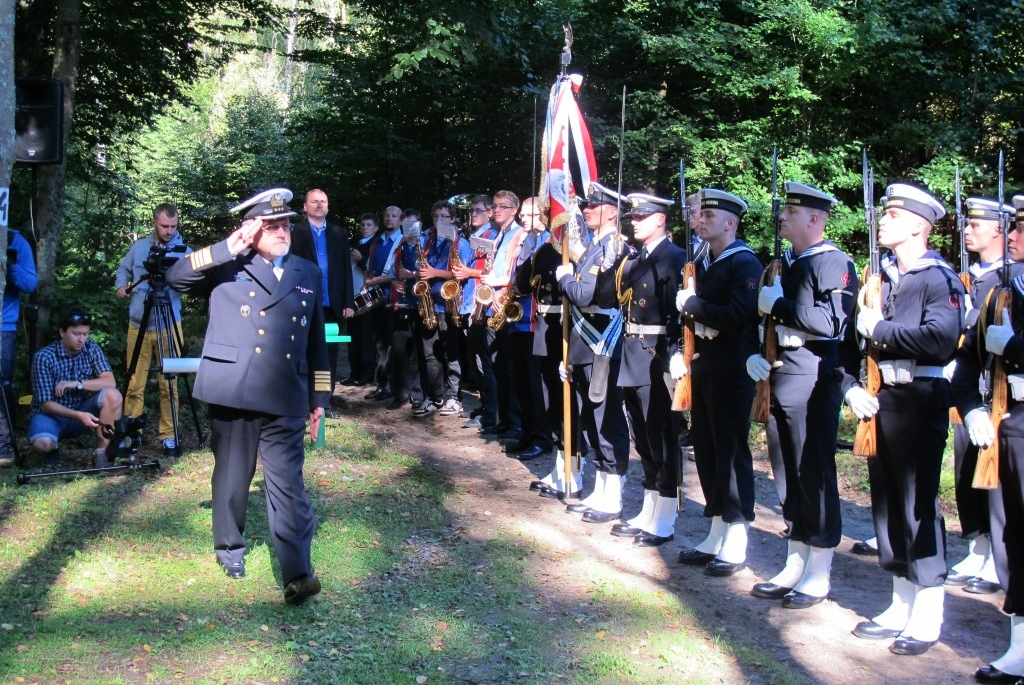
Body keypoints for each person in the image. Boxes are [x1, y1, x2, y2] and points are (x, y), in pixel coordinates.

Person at [166, 188, 330, 605]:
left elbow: (317, 343)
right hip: (235, 388)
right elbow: (176, 277)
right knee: (233, 475)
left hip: (286, 391)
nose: (281, 232)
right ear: (251, 229)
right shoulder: (228, 264)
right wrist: (225, 247)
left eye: (285, 224)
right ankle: (230, 548)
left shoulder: (307, 271)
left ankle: (298, 571)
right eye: (270, 225)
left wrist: (320, 397)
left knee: (289, 483)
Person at [843, 182, 964, 656]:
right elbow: (858, 342)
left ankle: (928, 611)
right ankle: (900, 601)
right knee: (887, 504)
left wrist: (883, 330)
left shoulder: (939, 278)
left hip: (920, 399)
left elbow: (940, 339)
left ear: (919, 225)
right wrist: (852, 386)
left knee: (918, 503)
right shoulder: (883, 276)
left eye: (893, 216)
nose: (882, 222)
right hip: (882, 398)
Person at [745, 182, 857, 607]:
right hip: (780, 372)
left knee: (814, 471)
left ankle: (819, 567)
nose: (782, 217)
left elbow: (832, 324)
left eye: (792, 211)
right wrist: (754, 355)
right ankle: (796, 556)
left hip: (814, 375)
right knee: (786, 470)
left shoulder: (832, 262)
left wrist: (780, 307)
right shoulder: (782, 263)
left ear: (815, 219)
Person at [953, 193, 1024, 684]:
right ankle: (1019, 642)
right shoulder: (1007, 291)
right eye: (1013, 227)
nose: (1013, 235)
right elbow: (969, 359)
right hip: (1012, 418)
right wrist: (974, 406)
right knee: (1012, 530)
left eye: (1022, 228)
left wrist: (1017, 346)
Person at [675, 189, 762, 576]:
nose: (701, 219)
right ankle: (716, 529)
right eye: (701, 213)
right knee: (707, 449)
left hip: (732, 367)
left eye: (710, 215)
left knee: (729, 449)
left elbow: (738, 315)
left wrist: (693, 306)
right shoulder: (702, 261)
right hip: (705, 363)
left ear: (731, 223)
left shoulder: (743, 263)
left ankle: (738, 532)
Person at [945, 197, 1018, 598]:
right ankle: (977, 545)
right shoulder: (969, 275)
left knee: (996, 476)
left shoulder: (1009, 278)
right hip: (969, 384)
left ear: (998, 230)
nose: (968, 230)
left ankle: (996, 552)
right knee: (966, 464)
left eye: (977, 225)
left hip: (1000, 387)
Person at [557, 182, 631, 524]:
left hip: (603, 341)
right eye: (585, 205)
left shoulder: (613, 248)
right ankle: (600, 489)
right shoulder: (595, 247)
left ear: (612, 211)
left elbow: (584, 296)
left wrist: (564, 280)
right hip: (587, 339)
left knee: (606, 418)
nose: (586, 210)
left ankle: (613, 493)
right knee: (591, 417)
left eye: (594, 205)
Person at [614, 192, 686, 546]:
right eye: (632, 217)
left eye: (641, 216)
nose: (633, 221)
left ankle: (667, 514)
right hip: (633, 350)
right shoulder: (637, 259)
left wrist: (678, 355)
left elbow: (680, 316)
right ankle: (649, 506)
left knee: (661, 436)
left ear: (660, 219)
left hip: (658, 353)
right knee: (642, 435)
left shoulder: (674, 259)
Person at [115, 203, 191, 458]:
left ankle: (169, 436)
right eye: (164, 226)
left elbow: (197, 277)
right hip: (138, 324)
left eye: (173, 226)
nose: (169, 231)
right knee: (134, 383)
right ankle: (131, 434)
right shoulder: (139, 248)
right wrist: (121, 286)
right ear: (153, 223)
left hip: (169, 324)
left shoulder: (184, 252)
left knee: (168, 383)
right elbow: (124, 268)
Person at [28, 306, 123, 468]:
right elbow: (45, 404)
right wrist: (78, 415)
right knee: (42, 444)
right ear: (62, 332)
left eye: (85, 334)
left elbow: (110, 381)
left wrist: (79, 384)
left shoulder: (91, 348)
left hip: (82, 412)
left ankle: (101, 452)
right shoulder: (43, 357)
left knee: (113, 395)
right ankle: (52, 448)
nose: (81, 339)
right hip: (51, 415)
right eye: (76, 334)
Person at [289, 189, 355, 394]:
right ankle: (303, 397)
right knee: (303, 350)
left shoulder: (339, 233)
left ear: (328, 206)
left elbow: (346, 270)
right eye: (314, 201)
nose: (319, 205)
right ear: (305, 206)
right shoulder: (294, 233)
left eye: (323, 201)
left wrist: (348, 302)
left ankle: (324, 401)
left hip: (331, 303)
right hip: (303, 303)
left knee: (328, 354)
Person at [0, 227, 38, 466]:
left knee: (2, 384)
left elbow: (31, 283)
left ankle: (4, 443)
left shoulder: (15, 241)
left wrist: (9, 265)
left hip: (3, 327)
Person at [364, 206, 403, 401]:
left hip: (393, 299)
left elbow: (398, 272)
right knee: (379, 344)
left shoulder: (402, 241)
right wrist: (367, 284)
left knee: (393, 346)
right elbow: (369, 269)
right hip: (377, 299)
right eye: (387, 215)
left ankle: (394, 386)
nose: (390, 218)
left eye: (394, 216)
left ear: (400, 220)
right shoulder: (377, 242)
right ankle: (382, 384)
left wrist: (375, 281)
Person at [343, 213, 379, 386]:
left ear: (376, 228)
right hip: (352, 297)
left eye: (369, 224)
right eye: (363, 224)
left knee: (366, 338)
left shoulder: (377, 244)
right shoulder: (355, 244)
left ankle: (366, 375)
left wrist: (361, 260)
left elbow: (377, 269)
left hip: (367, 297)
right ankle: (353, 373)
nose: (365, 227)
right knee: (353, 338)